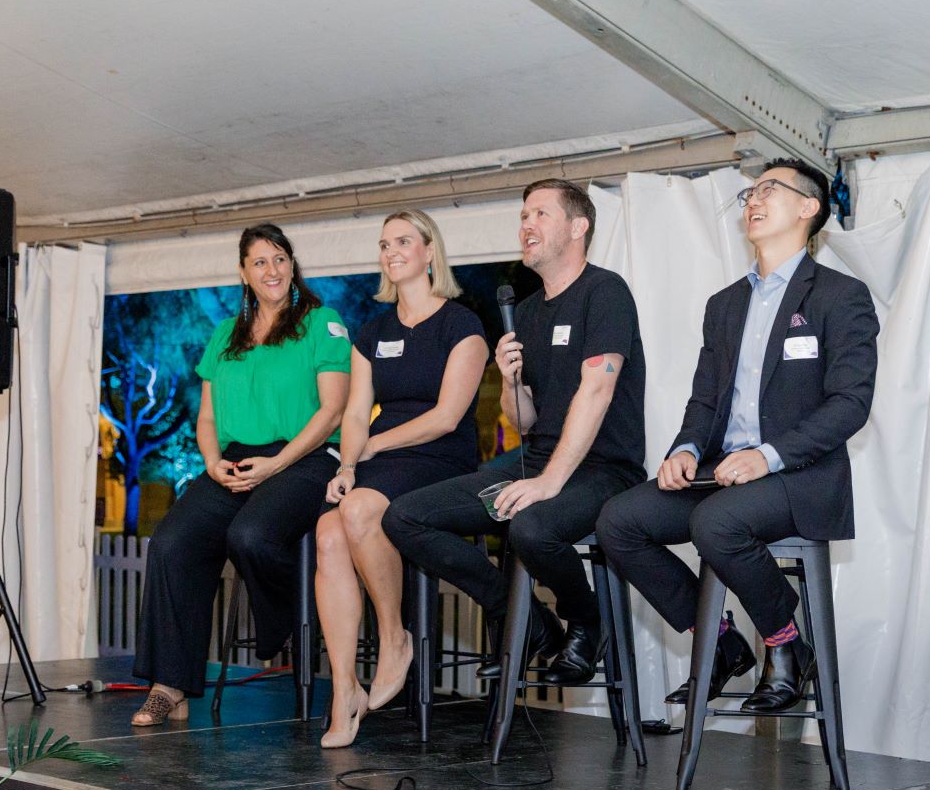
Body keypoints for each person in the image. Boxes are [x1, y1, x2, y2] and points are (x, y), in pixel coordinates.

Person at [596, 159, 878, 713]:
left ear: (807, 207)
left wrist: (767, 456)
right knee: (618, 521)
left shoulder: (839, 296)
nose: (754, 198)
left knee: (715, 522)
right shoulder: (724, 305)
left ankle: (784, 643)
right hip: (725, 472)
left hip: (801, 476)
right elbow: (705, 400)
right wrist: (685, 448)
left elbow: (851, 405)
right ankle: (722, 643)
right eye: (752, 190)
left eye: (770, 189)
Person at [383, 179, 646, 687]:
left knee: (530, 526)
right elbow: (522, 420)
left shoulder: (604, 291)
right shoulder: (523, 312)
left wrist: (549, 482)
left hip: (602, 466)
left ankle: (588, 622)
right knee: (406, 517)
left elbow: (597, 392)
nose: (526, 225)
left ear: (577, 227)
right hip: (538, 459)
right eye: (524, 216)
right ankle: (534, 626)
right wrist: (509, 380)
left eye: (540, 215)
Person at [131, 223, 351, 726]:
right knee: (171, 544)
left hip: (306, 455)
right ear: (244, 273)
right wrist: (211, 463)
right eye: (259, 262)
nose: (271, 270)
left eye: (279, 258)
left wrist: (278, 462)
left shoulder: (322, 322)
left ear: (292, 265)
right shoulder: (224, 334)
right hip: (234, 458)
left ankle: (294, 624)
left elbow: (333, 411)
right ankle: (170, 687)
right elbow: (206, 417)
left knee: (249, 535)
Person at [314, 211, 489, 748]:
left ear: (430, 251)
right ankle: (344, 690)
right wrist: (346, 465)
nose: (391, 251)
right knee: (328, 532)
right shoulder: (373, 331)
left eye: (403, 241)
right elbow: (354, 411)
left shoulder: (464, 324)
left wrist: (372, 446)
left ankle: (394, 637)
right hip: (378, 456)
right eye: (384, 243)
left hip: (440, 457)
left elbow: (447, 416)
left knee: (361, 509)